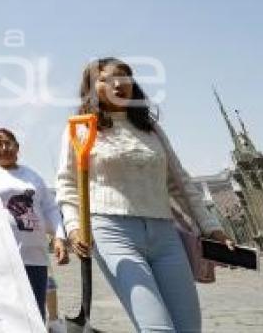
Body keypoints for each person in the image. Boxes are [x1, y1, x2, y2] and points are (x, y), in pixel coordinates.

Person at [56, 57, 233, 332]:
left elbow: (180, 182)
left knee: (189, 327)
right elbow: (68, 183)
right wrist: (74, 227)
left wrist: (212, 228)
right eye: (105, 79)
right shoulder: (80, 128)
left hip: (165, 234)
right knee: (157, 328)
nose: (117, 83)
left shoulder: (151, 130)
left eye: (122, 77)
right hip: (111, 232)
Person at [0, 128, 68, 321]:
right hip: (1, 259)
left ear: (17, 147)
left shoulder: (33, 177)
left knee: (35, 314)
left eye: (8, 143)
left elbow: (50, 209)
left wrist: (59, 237)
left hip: (35, 258)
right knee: (5, 316)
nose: (4, 148)